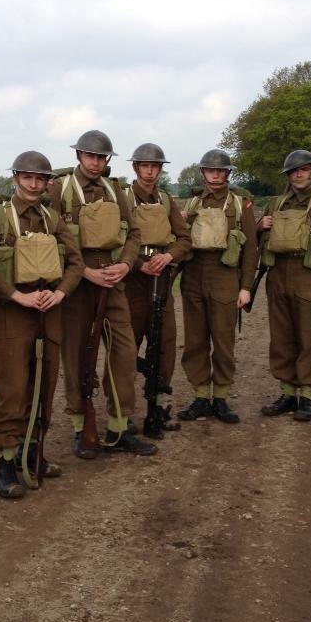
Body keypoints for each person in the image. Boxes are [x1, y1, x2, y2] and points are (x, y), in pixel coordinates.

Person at [46, 130, 158, 459]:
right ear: (79, 155)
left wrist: (125, 264)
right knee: (78, 356)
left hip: (113, 280)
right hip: (77, 285)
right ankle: (83, 429)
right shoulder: (59, 190)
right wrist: (84, 272)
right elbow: (50, 239)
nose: (95, 163)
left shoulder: (115, 189)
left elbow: (133, 233)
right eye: (90, 156)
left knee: (124, 354)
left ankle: (119, 426)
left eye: (101, 157)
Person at [0, 151, 84, 497]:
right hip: (14, 315)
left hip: (49, 314)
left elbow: (75, 263)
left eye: (40, 178)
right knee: (13, 390)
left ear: (47, 183)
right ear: (15, 178)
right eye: (27, 177)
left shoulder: (53, 219)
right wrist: (15, 296)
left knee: (45, 386)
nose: (33, 184)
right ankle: (6, 465)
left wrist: (61, 295)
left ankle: (34, 454)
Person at [256, 149, 311, 421]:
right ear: (288, 175)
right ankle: (287, 393)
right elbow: (260, 242)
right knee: (281, 339)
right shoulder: (276, 203)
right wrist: (260, 226)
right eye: (294, 170)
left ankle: (305, 396)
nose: (299, 174)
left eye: (305, 169)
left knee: (307, 339)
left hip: (308, 276)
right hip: (278, 275)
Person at [177, 149, 258, 424]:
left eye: (221, 170)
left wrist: (246, 287)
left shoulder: (240, 205)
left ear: (227, 174)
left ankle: (221, 397)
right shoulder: (191, 204)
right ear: (203, 173)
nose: (216, 174)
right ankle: (201, 396)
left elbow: (250, 250)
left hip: (225, 276)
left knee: (224, 341)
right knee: (195, 341)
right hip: (193, 275)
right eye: (211, 170)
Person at [122, 143, 191, 438]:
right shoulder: (123, 198)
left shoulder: (165, 199)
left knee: (164, 344)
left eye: (155, 166)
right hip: (133, 283)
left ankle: (160, 405)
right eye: (145, 165)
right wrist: (139, 264)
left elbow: (184, 239)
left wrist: (168, 256)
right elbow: (116, 239)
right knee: (126, 349)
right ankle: (121, 414)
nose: (150, 171)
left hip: (162, 279)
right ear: (136, 167)